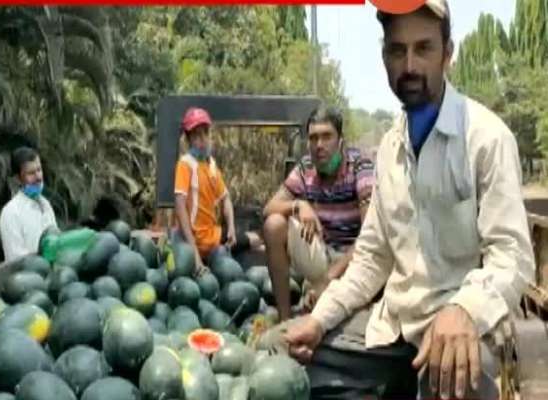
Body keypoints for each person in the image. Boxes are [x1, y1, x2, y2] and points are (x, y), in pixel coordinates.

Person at [282, 1, 535, 399]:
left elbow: (512, 256)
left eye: (424, 48)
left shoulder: (486, 139)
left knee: (457, 375)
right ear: (385, 58)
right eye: (398, 50)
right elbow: (372, 258)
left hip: (461, 328)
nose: (410, 65)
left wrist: (465, 309)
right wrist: (318, 319)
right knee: (280, 357)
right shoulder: (389, 149)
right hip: (394, 327)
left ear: (447, 54)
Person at [262, 106, 375, 321]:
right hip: (322, 254)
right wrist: (298, 205)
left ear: (341, 140)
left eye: (326, 137)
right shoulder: (306, 168)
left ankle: (326, 294)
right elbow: (269, 208)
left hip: (354, 259)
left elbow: (370, 235)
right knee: (274, 225)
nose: (319, 145)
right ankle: (284, 320)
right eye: (313, 138)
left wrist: (328, 279)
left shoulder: (361, 166)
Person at [174, 107, 256, 275]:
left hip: (213, 235)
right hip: (198, 239)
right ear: (188, 140)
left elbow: (226, 198)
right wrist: (194, 255)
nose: (203, 139)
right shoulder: (185, 165)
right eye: (196, 135)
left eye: (205, 133)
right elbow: (180, 207)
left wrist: (232, 226)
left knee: (256, 241)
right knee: (257, 240)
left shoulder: (211, 166)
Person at [0, 146, 59, 262]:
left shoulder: (46, 205)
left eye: (39, 170)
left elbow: (56, 241)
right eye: (31, 173)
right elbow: (16, 259)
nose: (38, 177)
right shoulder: (11, 213)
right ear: (18, 179)